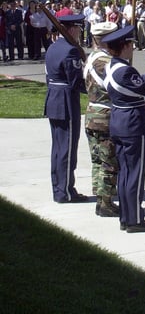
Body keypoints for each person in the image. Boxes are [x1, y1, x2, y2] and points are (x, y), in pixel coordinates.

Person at [102, 25, 145, 233]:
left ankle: (127, 215)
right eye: (130, 45)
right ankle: (133, 218)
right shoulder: (125, 70)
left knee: (125, 172)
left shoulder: (111, 67)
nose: (133, 48)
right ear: (124, 47)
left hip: (120, 121)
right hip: (133, 124)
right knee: (134, 173)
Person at [44, 13, 88, 203]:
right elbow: (76, 81)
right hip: (66, 102)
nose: (79, 32)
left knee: (58, 147)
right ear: (72, 29)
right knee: (67, 149)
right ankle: (65, 191)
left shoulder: (53, 47)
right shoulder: (70, 50)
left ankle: (59, 187)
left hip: (53, 98)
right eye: (78, 29)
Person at [83, 21, 120, 217]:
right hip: (104, 116)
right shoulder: (106, 61)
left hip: (92, 114)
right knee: (108, 161)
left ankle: (101, 199)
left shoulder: (92, 58)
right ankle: (105, 202)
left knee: (98, 160)